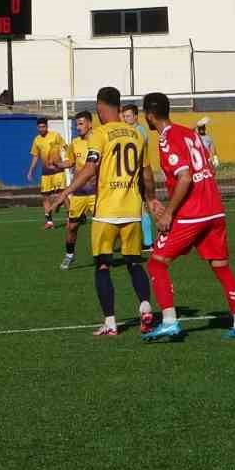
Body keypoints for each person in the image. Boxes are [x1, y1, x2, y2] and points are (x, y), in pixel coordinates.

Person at [142, 92, 235, 342]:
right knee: (221, 268)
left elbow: (185, 176)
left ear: (149, 115)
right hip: (215, 209)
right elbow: (205, 168)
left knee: (157, 263)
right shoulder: (190, 133)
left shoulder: (167, 139)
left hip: (193, 213)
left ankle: (169, 322)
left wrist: (168, 212)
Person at [51, 88, 155, 336]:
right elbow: (147, 174)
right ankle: (145, 306)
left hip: (107, 210)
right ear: (119, 107)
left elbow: (89, 168)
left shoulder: (100, 134)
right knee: (133, 263)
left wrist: (66, 192)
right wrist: (151, 201)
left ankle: (110, 323)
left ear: (99, 108)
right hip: (132, 209)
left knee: (103, 266)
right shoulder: (137, 134)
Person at [58, 111, 97, 270]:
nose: (78, 127)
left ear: (89, 124)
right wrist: (58, 164)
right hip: (79, 193)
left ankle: (102, 257)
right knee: (72, 227)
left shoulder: (98, 140)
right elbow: (69, 162)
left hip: (96, 192)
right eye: (76, 124)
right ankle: (69, 255)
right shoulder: (75, 143)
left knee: (102, 225)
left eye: (80, 124)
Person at [120, 102, 155, 251]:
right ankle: (145, 242)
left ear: (135, 116)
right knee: (138, 208)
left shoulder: (139, 131)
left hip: (139, 175)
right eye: (124, 116)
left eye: (128, 116)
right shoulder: (127, 130)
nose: (126, 118)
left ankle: (148, 242)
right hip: (130, 176)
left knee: (143, 208)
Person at [26, 117, 68, 229]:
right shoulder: (37, 140)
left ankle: (70, 218)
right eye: (39, 127)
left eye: (43, 126)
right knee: (45, 197)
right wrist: (31, 171)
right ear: (37, 127)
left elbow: (66, 147)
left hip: (58, 171)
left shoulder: (55, 135)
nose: (41, 129)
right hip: (45, 172)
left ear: (47, 126)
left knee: (62, 194)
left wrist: (69, 162)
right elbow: (35, 156)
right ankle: (49, 222)